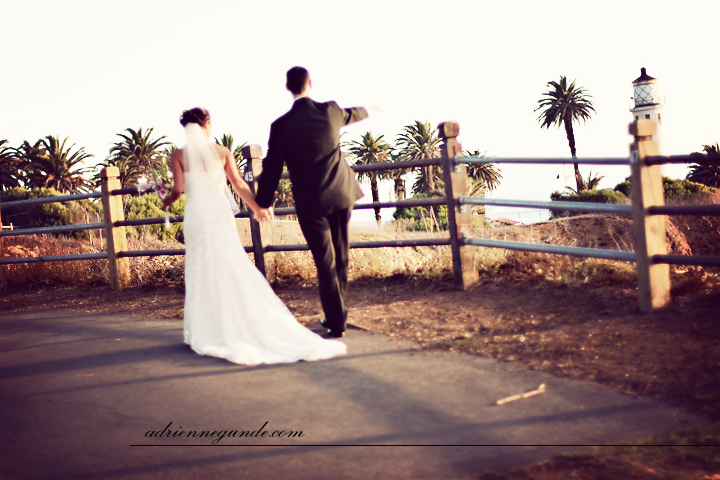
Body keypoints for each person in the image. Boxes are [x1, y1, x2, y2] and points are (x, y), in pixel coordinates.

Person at [162, 107, 346, 365]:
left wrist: (165, 198)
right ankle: (240, 320)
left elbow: (178, 189)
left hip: (196, 218)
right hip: (219, 215)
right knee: (230, 263)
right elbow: (238, 184)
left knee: (202, 267)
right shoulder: (222, 152)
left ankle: (208, 328)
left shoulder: (179, 155)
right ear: (207, 124)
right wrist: (258, 208)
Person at [255, 67, 368, 338]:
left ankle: (336, 319)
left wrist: (263, 202)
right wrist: (369, 109)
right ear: (309, 84)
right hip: (341, 194)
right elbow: (354, 113)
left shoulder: (280, 126)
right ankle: (337, 316)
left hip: (311, 202)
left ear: (288, 88)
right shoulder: (330, 111)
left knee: (325, 262)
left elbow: (271, 168)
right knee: (340, 257)